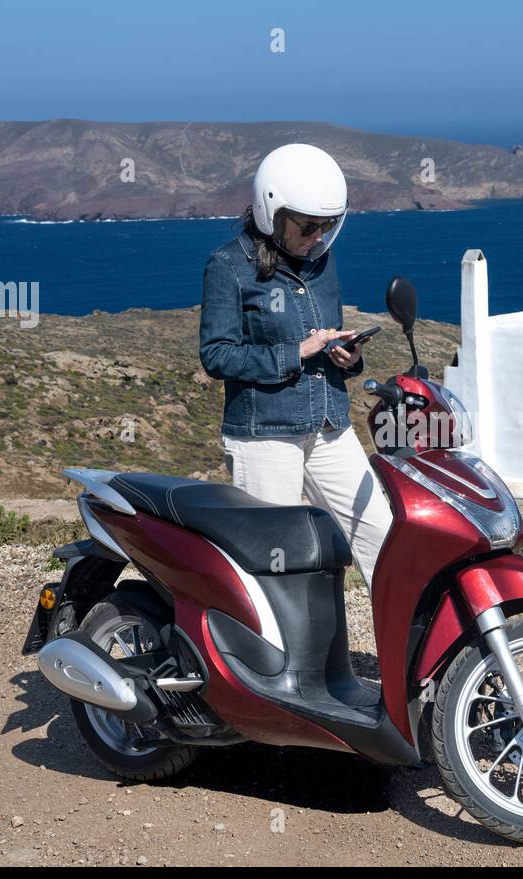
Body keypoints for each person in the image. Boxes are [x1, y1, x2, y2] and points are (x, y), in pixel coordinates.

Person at [198, 143, 393, 592]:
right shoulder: (228, 266)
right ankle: (271, 660)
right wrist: (295, 352)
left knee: (380, 536)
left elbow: (326, 335)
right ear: (272, 212)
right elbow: (216, 355)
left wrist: (348, 358)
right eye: (308, 227)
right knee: (273, 561)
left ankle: (413, 655)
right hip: (266, 434)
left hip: (329, 424)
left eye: (327, 226)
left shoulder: (322, 263)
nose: (318, 238)